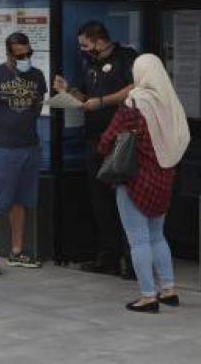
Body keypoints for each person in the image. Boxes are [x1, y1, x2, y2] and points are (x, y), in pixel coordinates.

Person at [98, 54, 189, 312]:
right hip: (163, 178)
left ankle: (148, 296)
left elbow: (107, 140)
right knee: (158, 236)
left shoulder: (134, 103)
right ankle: (168, 290)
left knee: (138, 240)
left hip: (135, 180)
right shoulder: (170, 103)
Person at [52, 21, 138, 276]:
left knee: (126, 200)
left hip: (122, 140)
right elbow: (84, 98)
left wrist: (102, 102)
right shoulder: (89, 63)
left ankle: (131, 259)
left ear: (100, 41)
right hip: (94, 140)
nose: (82, 50)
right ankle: (108, 256)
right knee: (100, 201)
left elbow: (135, 87)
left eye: (85, 45)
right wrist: (67, 90)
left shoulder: (126, 57)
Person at [0, 32, 48, 275]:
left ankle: (17, 251)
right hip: (4, 149)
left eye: (28, 54)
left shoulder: (37, 76)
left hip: (29, 146)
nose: (25, 59)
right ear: (9, 55)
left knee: (22, 200)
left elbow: (37, 106)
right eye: (19, 56)